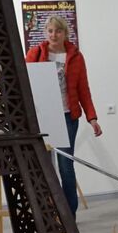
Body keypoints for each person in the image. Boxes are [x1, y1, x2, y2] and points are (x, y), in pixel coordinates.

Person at [25, 15, 101, 215]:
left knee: (66, 166)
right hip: (43, 118)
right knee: (45, 167)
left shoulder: (75, 56)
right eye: (50, 31)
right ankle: (49, 212)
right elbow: (24, 82)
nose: (53, 35)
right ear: (45, 33)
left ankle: (69, 214)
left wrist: (92, 118)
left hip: (68, 116)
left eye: (58, 31)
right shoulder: (35, 53)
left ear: (65, 33)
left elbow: (84, 89)